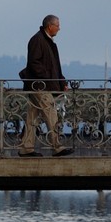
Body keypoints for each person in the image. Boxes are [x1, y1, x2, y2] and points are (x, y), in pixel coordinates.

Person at [18, 15, 74, 157]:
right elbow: (35, 63)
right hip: (40, 86)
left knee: (33, 117)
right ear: (50, 26)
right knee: (51, 113)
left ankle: (26, 147)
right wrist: (49, 80)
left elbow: (54, 67)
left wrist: (62, 82)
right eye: (58, 25)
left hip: (40, 85)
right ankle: (57, 146)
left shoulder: (46, 41)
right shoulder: (38, 40)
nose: (59, 28)